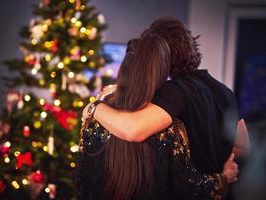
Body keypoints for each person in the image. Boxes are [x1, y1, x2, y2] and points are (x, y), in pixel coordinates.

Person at [77, 36, 238, 200]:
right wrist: (224, 178)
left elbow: (84, 182)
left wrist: (95, 105)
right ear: (161, 72)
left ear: (124, 67)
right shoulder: (169, 129)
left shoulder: (94, 120)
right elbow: (189, 189)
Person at [82, 16, 249, 174]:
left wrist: (94, 107)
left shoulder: (175, 91)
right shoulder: (224, 91)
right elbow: (243, 147)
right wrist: (221, 174)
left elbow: (132, 130)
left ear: (159, 53)